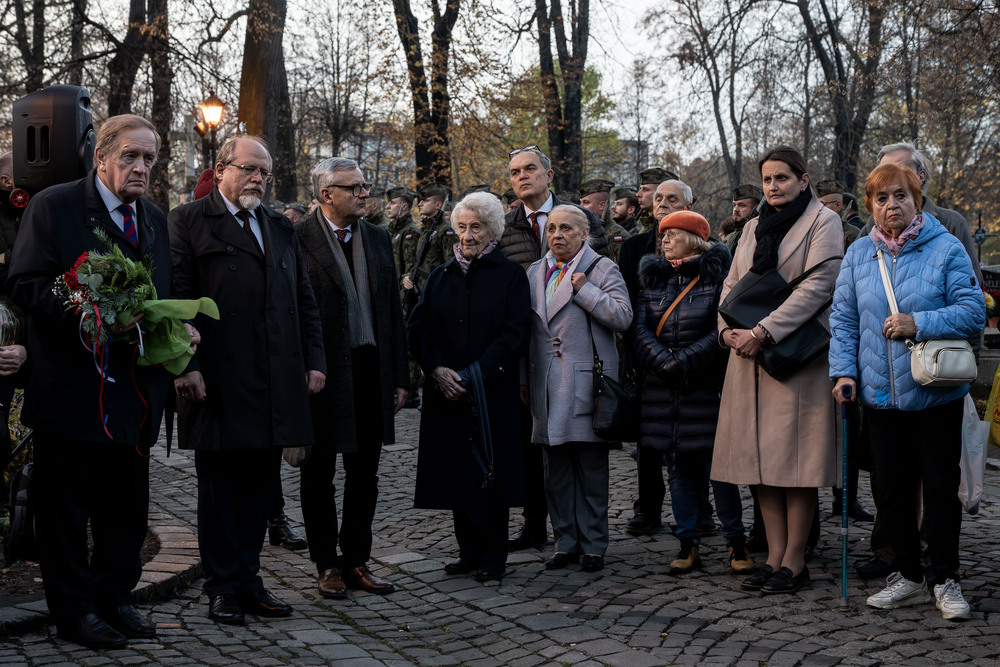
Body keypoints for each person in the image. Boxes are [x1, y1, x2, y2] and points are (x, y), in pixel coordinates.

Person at [7, 115, 177, 649]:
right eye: (130, 156)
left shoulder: (152, 217)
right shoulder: (54, 206)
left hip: (135, 394)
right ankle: (74, 611)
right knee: (67, 512)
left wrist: (176, 329)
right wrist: (91, 309)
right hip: (72, 390)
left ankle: (115, 597)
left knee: (125, 508)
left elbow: (161, 292)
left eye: (149, 159)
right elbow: (26, 283)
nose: (141, 168)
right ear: (100, 157)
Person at [169, 135, 326, 625]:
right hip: (216, 379)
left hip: (275, 378)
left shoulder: (279, 226)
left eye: (265, 172)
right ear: (221, 169)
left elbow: (303, 299)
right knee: (220, 491)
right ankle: (222, 587)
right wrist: (185, 367)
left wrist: (314, 360)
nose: (258, 178)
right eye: (249, 169)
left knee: (261, 487)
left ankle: (250, 579)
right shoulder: (188, 221)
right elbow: (175, 300)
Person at [830, 162, 984, 620]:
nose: (891, 205)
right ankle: (909, 577)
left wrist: (920, 323)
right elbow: (844, 320)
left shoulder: (946, 247)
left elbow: (973, 309)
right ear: (872, 206)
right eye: (881, 198)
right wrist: (843, 372)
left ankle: (945, 578)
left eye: (900, 195)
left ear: (916, 198)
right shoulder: (859, 255)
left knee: (938, 490)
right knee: (890, 492)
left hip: (935, 394)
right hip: (879, 397)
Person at [713, 145, 842, 595]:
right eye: (767, 179)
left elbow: (818, 287)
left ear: (803, 180)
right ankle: (772, 555)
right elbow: (731, 284)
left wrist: (763, 332)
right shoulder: (751, 226)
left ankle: (795, 560)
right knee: (759, 462)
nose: (773, 187)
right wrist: (726, 331)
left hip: (795, 358)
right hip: (745, 359)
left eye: (782, 178)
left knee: (796, 464)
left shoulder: (824, 222)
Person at [295, 157, 410, 600]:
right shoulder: (299, 236)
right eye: (354, 187)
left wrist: (401, 377)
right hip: (321, 374)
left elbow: (393, 316)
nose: (365, 193)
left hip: (370, 370)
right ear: (327, 194)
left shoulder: (379, 238)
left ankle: (356, 560)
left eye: (365, 186)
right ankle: (327, 565)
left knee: (365, 473)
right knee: (318, 472)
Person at [409, 192, 530, 583]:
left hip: (492, 392)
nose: (467, 235)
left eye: (476, 227)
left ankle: (493, 556)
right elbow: (418, 328)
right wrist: (436, 369)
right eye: (461, 227)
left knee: (490, 474)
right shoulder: (442, 276)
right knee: (457, 472)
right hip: (447, 394)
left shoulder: (510, 275)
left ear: (493, 229)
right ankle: (468, 551)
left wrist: (478, 373)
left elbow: (515, 334)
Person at [499, 146, 608, 553]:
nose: (522, 176)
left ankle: (587, 537)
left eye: (530, 169)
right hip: (535, 356)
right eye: (514, 172)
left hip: (580, 362)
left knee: (583, 456)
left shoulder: (584, 219)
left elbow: (602, 277)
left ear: (549, 173)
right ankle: (536, 525)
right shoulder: (505, 225)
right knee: (540, 453)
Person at [631, 211, 752, 575]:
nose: (664, 239)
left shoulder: (717, 279)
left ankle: (736, 542)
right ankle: (688, 542)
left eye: (673, 234)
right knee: (678, 470)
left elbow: (723, 330)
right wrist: (664, 362)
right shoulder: (651, 279)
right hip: (662, 389)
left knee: (721, 471)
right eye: (662, 235)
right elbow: (638, 329)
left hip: (706, 388)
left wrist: (684, 362)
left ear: (696, 238)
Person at [526, 205, 632, 572]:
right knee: (554, 473)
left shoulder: (602, 268)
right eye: (552, 228)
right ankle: (565, 542)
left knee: (589, 469)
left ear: (584, 233)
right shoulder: (534, 272)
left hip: (587, 382)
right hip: (545, 383)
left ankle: (593, 544)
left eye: (566, 228)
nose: (557, 235)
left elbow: (623, 317)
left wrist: (586, 291)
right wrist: (525, 379)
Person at [618, 178, 695, 537]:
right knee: (647, 439)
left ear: (688, 206)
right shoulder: (633, 248)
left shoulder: (704, 247)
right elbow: (629, 305)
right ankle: (647, 508)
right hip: (645, 353)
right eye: (658, 198)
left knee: (694, 438)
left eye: (672, 198)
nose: (662, 203)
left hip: (692, 356)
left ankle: (700, 511)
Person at [386, 186, 423, 408]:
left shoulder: (410, 231)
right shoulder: (393, 229)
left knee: (408, 344)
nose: (388, 206)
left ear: (404, 206)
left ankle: (411, 390)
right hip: (395, 295)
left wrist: (403, 295)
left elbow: (409, 270)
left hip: (406, 297)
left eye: (393, 203)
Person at [635, 167, 678, 233]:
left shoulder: (671, 228)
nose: (638, 194)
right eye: (640, 189)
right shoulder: (646, 223)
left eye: (645, 189)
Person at [726, 184, 764, 255]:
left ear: (755, 209)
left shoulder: (760, 235)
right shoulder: (731, 237)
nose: (736, 209)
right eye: (734, 205)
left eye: (741, 205)